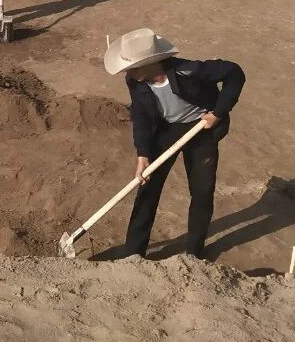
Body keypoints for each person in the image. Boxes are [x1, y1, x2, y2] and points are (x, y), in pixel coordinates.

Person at [104, 28, 245, 259]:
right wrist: (143, 154)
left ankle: (194, 254)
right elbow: (140, 115)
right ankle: (133, 254)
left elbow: (234, 72)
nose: (128, 72)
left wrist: (219, 112)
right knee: (147, 189)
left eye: (134, 66)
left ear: (152, 62)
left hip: (202, 128)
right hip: (166, 130)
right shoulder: (135, 81)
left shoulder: (189, 70)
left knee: (202, 192)